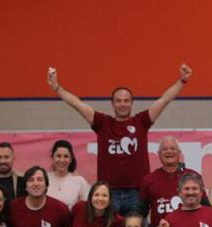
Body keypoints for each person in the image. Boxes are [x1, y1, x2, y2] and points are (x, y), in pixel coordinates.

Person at [47, 63, 193, 213]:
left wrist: (182, 81)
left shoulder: (141, 121)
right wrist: (57, 87)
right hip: (109, 193)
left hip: (137, 193)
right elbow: (77, 104)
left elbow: (164, 100)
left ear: (131, 103)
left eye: (126, 101)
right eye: (118, 101)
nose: (122, 104)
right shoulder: (102, 123)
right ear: (112, 103)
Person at [137, 136, 211, 227]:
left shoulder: (193, 176)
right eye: (165, 149)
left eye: (172, 148)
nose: (169, 152)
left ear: (179, 153)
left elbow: (206, 208)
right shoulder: (149, 180)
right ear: (158, 154)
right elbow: (140, 213)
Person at [47, 139, 90, 208]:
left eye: (66, 156)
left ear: (71, 159)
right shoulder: (44, 179)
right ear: (52, 157)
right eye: (58, 156)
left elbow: (86, 209)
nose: (62, 160)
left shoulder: (80, 181)